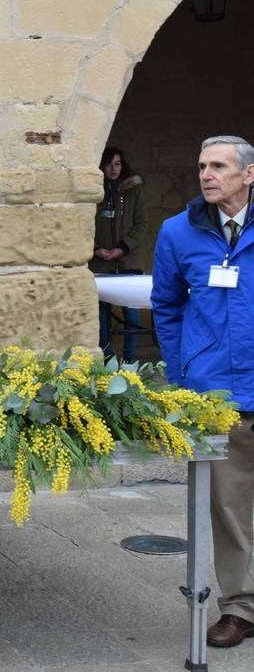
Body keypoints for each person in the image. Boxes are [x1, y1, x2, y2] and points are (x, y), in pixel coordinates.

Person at [152, 135, 254, 650]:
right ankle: (240, 607)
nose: (206, 174)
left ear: (248, 175)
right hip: (217, 393)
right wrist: (181, 370)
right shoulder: (178, 232)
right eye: (201, 166)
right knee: (230, 506)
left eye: (218, 166)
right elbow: (165, 306)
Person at [89, 146, 147, 364]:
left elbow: (141, 224)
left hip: (127, 261)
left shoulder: (134, 191)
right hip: (101, 264)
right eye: (110, 164)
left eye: (118, 164)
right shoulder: (95, 192)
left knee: (131, 313)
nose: (114, 169)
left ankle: (130, 359)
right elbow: (83, 223)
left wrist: (122, 248)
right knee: (102, 313)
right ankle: (108, 358)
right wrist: (95, 249)